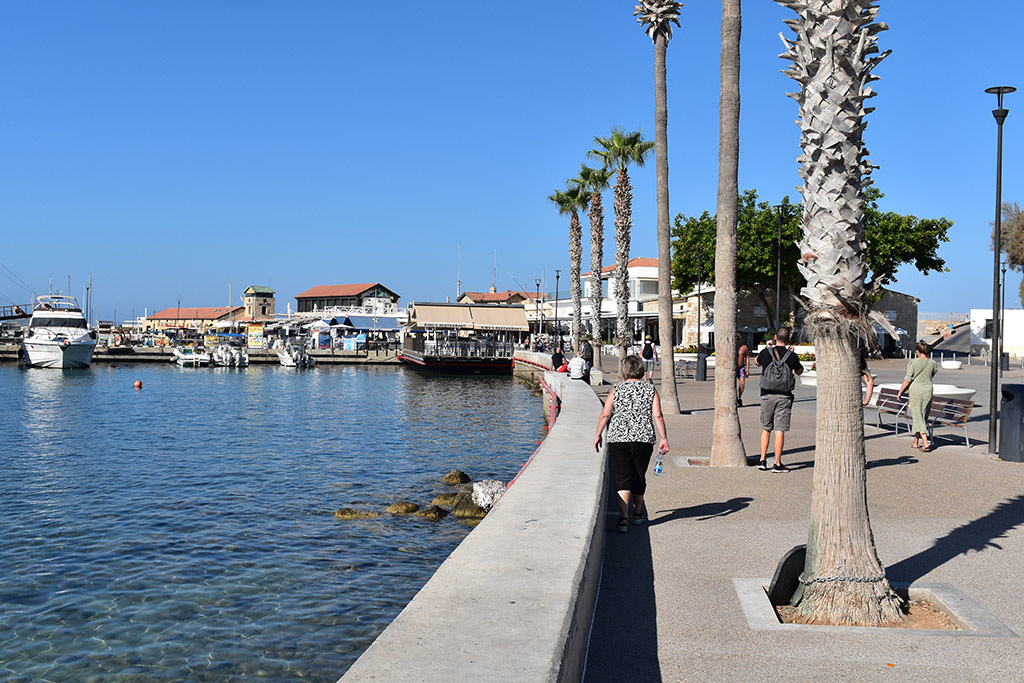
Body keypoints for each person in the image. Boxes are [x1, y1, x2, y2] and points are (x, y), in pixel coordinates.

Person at [594, 355, 670, 533]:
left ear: (625, 370)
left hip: (618, 438)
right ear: (641, 370)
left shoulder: (617, 389)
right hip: (643, 439)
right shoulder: (650, 389)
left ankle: (623, 519)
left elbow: (606, 414)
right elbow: (657, 415)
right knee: (638, 474)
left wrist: (598, 434)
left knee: (622, 477)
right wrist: (664, 438)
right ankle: (637, 513)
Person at [755, 326, 804, 472]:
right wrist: (791, 355)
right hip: (784, 396)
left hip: (766, 394)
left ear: (775, 337)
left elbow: (757, 362)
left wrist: (767, 348)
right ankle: (777, 463)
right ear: (788, 340)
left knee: (766, 428)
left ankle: (762, 460)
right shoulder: (792, 356)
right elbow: (799, 371)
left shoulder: (766, 352)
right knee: (779, 430)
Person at [897, 340, 938, 451]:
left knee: (917, 416)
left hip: (916, 390)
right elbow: (933, 374)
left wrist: (901, 391)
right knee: (923, 415)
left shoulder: (913, 362)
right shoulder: (933, 363)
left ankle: (925, 442)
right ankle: (915, 442)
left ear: (917, 351)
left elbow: (908, 378)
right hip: (928, 390)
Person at [736, 334, 750, 406]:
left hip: (741, 367)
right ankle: (734, 397)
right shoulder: (733, 347)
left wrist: (747, 369)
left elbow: (747, 358)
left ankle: (739, 397)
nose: (737, 340)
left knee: (742, 383)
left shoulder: (744, 348)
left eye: (738, 339)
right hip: (733, 368)